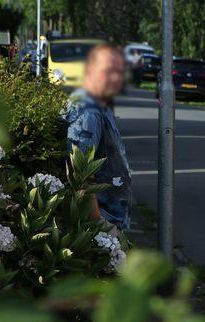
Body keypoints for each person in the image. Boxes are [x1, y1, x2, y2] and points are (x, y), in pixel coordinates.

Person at [66, 43, 132, 230]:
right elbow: (81, 175)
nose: (116, 78)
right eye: (109, 71)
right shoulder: (87, 111)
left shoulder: (98, 105)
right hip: (101, 223)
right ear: (90, 72)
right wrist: (100, 225)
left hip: (110, 218)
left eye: (119, 72)